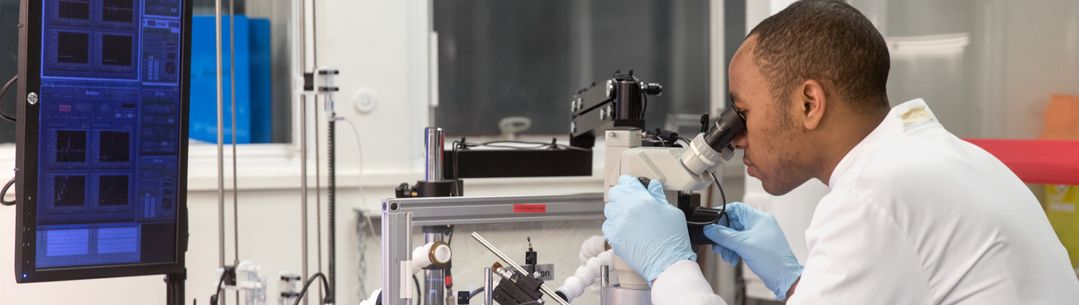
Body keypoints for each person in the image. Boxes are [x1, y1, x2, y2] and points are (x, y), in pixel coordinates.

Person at [601, 0, 1079, 304]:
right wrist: (795, 284)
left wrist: (668, 267)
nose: (737, 138)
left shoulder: (875, 196)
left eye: (742, 113)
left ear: (810, 103)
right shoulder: (952, 160)